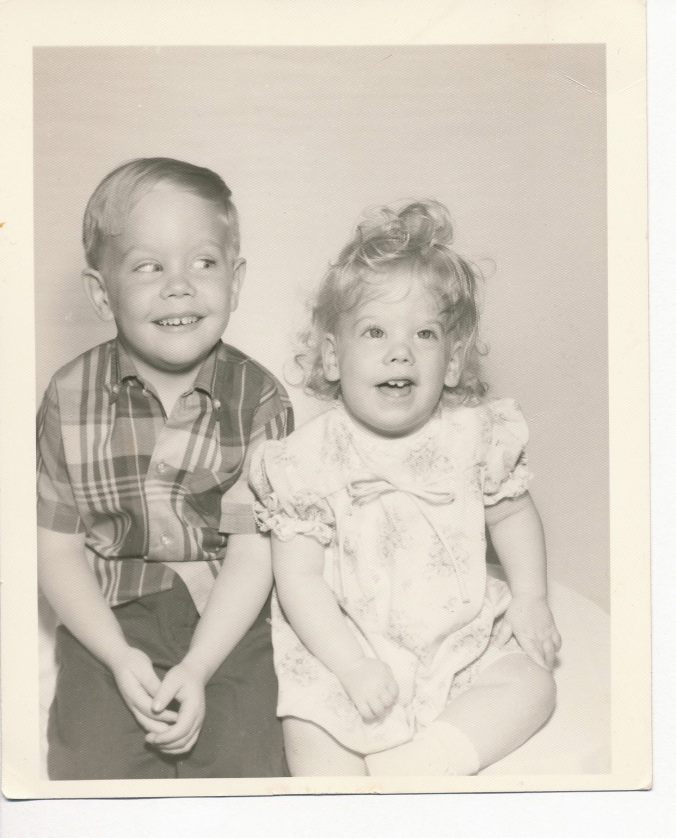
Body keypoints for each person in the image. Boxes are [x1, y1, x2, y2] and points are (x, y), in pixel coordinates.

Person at [250, 199, 561, 776]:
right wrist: (350, 666)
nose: (400, 350)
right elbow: (298, 580)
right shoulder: (303, 461)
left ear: (451, 360)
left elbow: (513, 515)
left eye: (424, 333)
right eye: (374, 331)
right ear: (331, 356)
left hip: (459, 638)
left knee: (532, 685)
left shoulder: (476, 436)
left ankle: (427, 763)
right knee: (310, 728)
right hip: (349, 646)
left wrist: (530, 595)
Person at [37, 157, 293, 779]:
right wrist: (119, 658)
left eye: (203, 263)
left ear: (235, 281)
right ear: (103, 293)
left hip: (227, 615)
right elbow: (58, 554)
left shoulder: (261, 399)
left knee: (251, 764)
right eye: (150, 266)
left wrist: (201, 667)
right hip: (111, 613)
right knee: (88, 767)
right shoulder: (67, 398)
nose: (180, 286)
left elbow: (253, 556)